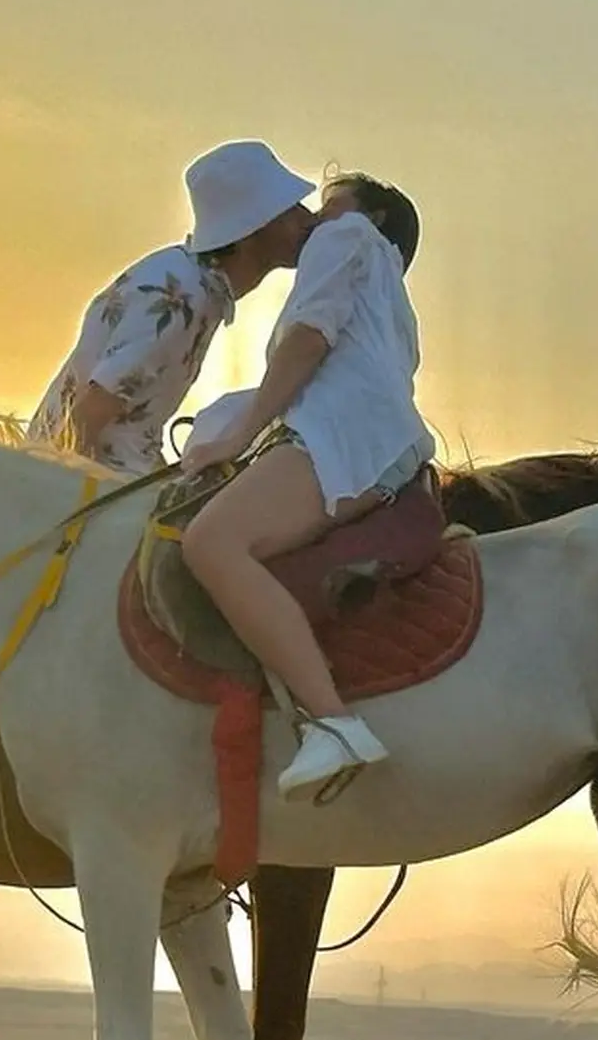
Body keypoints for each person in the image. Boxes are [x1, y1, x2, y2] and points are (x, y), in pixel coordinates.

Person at [178, 172, 434, 802]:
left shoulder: (346, 236)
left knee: (213, 544)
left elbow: (308, 339)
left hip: (344, 436)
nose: (314, 218)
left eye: (329, 203)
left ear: (373, 217)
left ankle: (332, 722)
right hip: (381, 442)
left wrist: (237, 437)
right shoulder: (390, 300)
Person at [27, 140, 316, 474]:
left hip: (102, 479)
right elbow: (84, 421)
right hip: (87, 484)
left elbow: (131, 428)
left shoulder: (192, 284)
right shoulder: (180, 300)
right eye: (289, 210)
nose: (308, 219)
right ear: (250, 230)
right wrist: (55, 497)